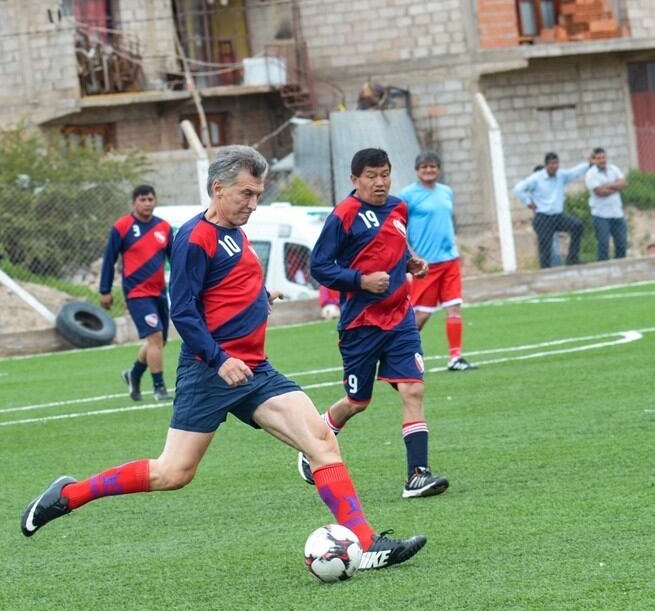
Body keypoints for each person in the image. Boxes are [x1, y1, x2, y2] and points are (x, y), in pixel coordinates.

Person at [20, 146, 426, 572]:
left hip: (256, 370)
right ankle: (69, 495)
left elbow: (225, 286)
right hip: (208, 373)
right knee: (173, 473)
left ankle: (365, 545)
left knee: (321, 442)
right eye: (246, 194)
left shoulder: (236, 230)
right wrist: (218, 360)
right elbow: (183, 312)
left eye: (258, 195)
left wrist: (258, 298)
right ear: (218, 188)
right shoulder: (194, 238)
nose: (253, 204)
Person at [297, 148, 450, 500]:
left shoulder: (398, 207)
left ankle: (417, 475)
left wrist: (411, 262)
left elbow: (396, 246)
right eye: (371, 175)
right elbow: (319, 267)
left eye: (384, 174)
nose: (379, 182)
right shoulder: (344, 215)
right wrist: (361, 281)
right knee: (357, 401)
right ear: (355, 180)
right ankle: (313, 440)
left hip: (400, 319)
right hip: (360, 324)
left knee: (413, 389)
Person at [399, 152, 477, 371]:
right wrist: (412, 255)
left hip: (450, 260)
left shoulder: (446, 192)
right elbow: (399, 228)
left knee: (454, 308)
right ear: (417, 170)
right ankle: (401, 354)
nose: (428, 170)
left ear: (439, 169)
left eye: (432, 166)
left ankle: (455, 357)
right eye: (424, 167)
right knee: (421, 314)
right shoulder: (408, 195)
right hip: (426, 265)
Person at [99, 185, 173, 401]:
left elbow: (175, 259)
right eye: (143, 199)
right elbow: (109, 259)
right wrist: (105, 290)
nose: (147, 203)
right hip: (137, 294)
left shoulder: (164, 228)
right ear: (134, 202)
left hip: (159, 292)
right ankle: (159, 388)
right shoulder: (122, 227)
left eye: (151, 199)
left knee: (158, 342)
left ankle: (133, 374)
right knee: (156, 337)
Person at [513, 152, 593, 268]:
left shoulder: (560, 175)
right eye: (552, 164)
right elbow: (518, 189)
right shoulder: (537, 178)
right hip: (543, 217)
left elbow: (574, 172)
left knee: (577, 226)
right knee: (545, 248)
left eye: (556, 163)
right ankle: (545, 270)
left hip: (557, 216)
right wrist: (529, 202)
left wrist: (589, 164)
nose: (554, 166)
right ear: (546, 165)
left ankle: (572, 258)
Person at [585, 147, 628, 261]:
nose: (602, 160)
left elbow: (623, 183)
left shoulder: (613, 169)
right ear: (594, 160)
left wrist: (607, 185)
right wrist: (616, 187)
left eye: (603, 157)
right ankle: (604, 270)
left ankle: (620, 267)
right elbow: (600, 192)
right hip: (601, 214)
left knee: (621, 243)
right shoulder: (591, 174)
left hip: (617, 213)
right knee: (603, 244)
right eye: (599, 158)